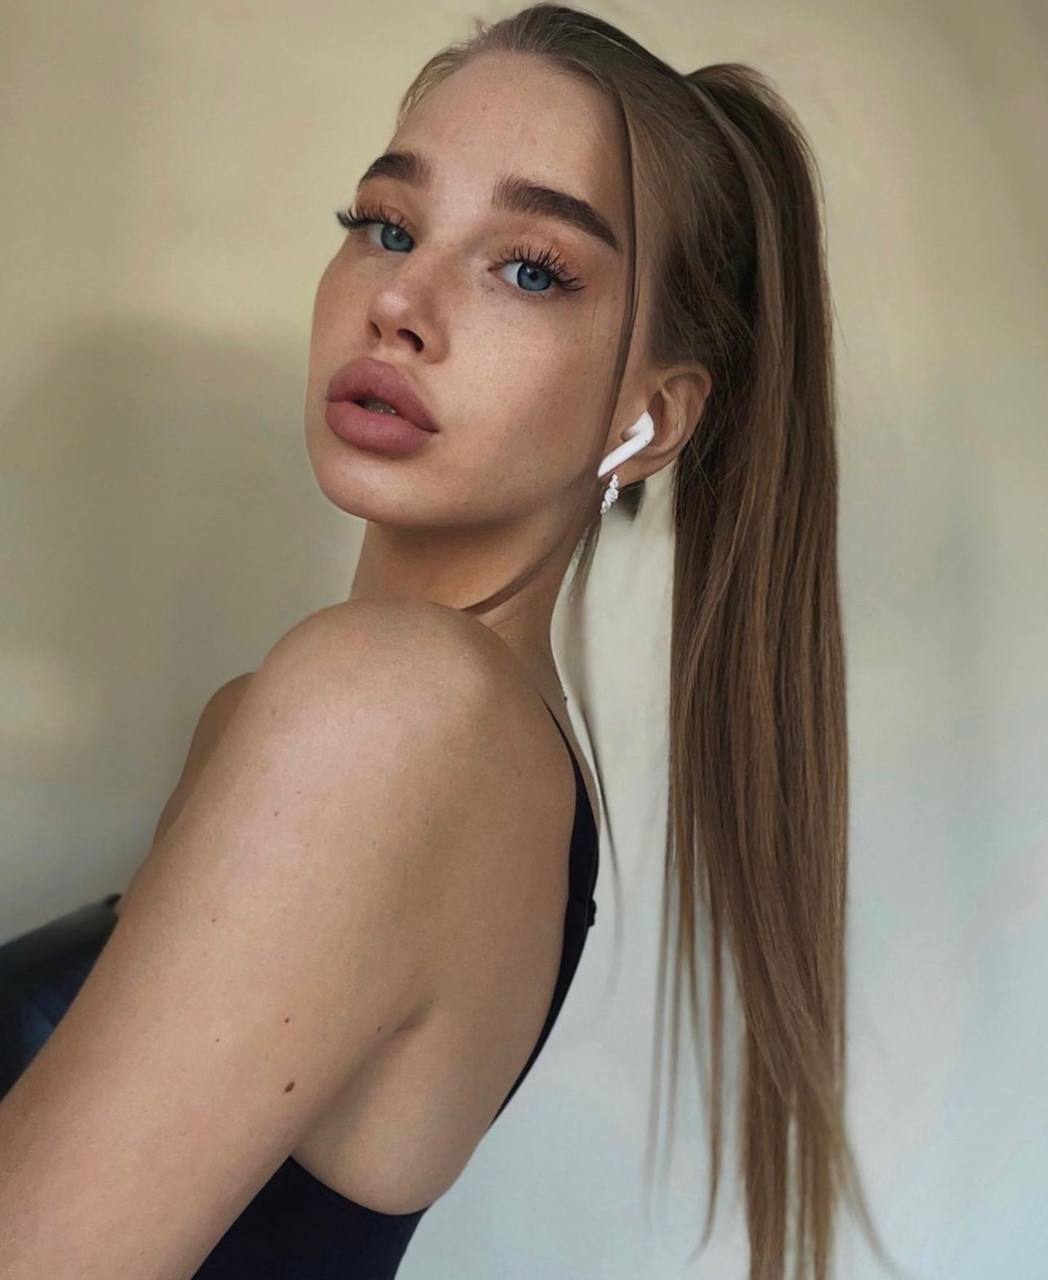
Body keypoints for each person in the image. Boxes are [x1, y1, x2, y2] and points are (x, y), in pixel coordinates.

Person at [0, 5, 901, 1278]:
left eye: (529, 267)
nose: (399, 302)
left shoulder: (390, 712)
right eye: (386, 224)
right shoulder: (340, 719)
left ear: (650, 418)